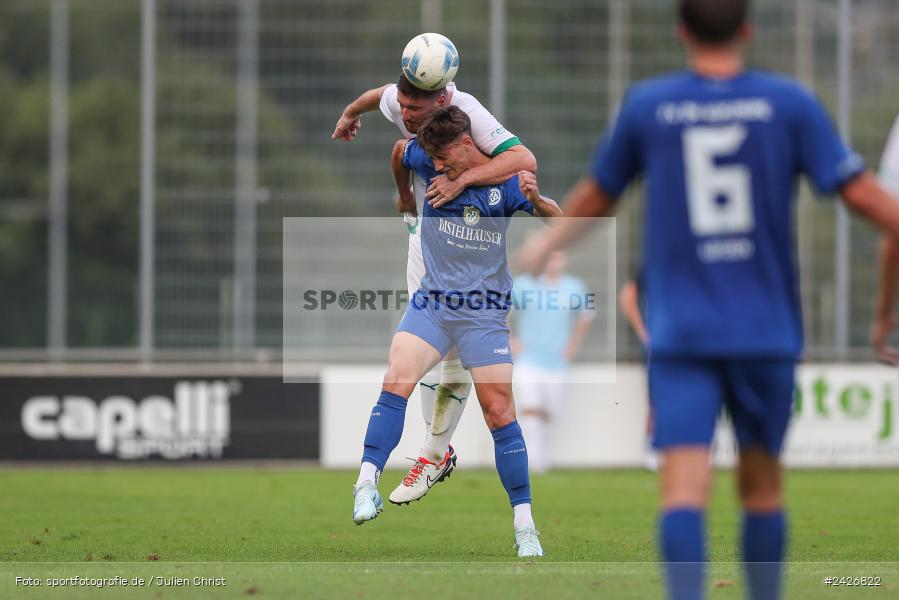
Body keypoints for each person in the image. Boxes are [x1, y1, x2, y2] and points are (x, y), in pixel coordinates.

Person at [517, 0, 899, 597]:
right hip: (766, 330)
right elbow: (872, 204)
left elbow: (598, 196)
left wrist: (545, 246)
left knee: (683, 488)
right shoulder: (790, 103)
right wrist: (885, 312)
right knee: (763, 488)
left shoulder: (648, 106)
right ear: (748, 29)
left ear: (680, 30)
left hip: (682, 333)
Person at [353, 106, 561, 559]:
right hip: (433, 302)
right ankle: (366, 481)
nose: (439, 168)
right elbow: (398, 151)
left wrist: (539, 200)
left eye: (445, 159)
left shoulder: (505, 181)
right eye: (434, 162)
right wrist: (404, 196)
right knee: (396, 379)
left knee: (499, 412)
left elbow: (559, 222)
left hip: (483, 312)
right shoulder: (427, 159)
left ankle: (525, 526)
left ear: (468, 144)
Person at [334, 72, 538, 502]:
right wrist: (353, 113)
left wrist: (464, 179)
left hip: (475, 258)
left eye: (414, 110)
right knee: (427, 354)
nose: (406, 115)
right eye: (403, 108)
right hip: (428, 244)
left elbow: (525, 160)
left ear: (442, 99)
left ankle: (433, 453)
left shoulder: (472, 115)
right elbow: (380, 105)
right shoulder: (405, 103)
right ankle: (426, 454)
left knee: (460, 356)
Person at [509, 250, 593, 473]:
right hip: (527, 360)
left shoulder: (574, 287)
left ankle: (543, 459)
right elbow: (501, 312)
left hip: (557, 362)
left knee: (549, 412)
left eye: (557, 255)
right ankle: (532, 461)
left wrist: (572, 346)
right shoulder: (523, 284)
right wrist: (512, 341)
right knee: (530, 408)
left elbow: (586, 316)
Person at [617, 270, 657, 471]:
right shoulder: (655, 264)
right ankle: (654, 449)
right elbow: (627, 296)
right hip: (663, 344)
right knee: (658, 397)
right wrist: (643, 332)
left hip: (697, 341)